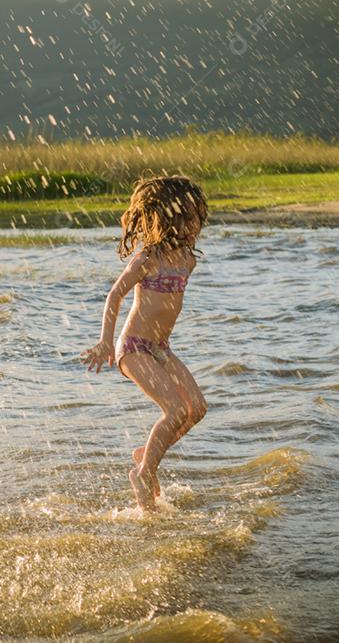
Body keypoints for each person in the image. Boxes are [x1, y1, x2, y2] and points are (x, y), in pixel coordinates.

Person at [82, 176, 209, 511]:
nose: (196, 226)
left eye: (198, 218)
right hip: (134, 348)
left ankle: (146, 455)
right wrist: (105, 342)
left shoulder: (188, 260)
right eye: (189, 219)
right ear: (169, 220)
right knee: (176, 410)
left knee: (197, 408)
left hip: (161, 349)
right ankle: (143, 474)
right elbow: (114, 296)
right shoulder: (147, 260)